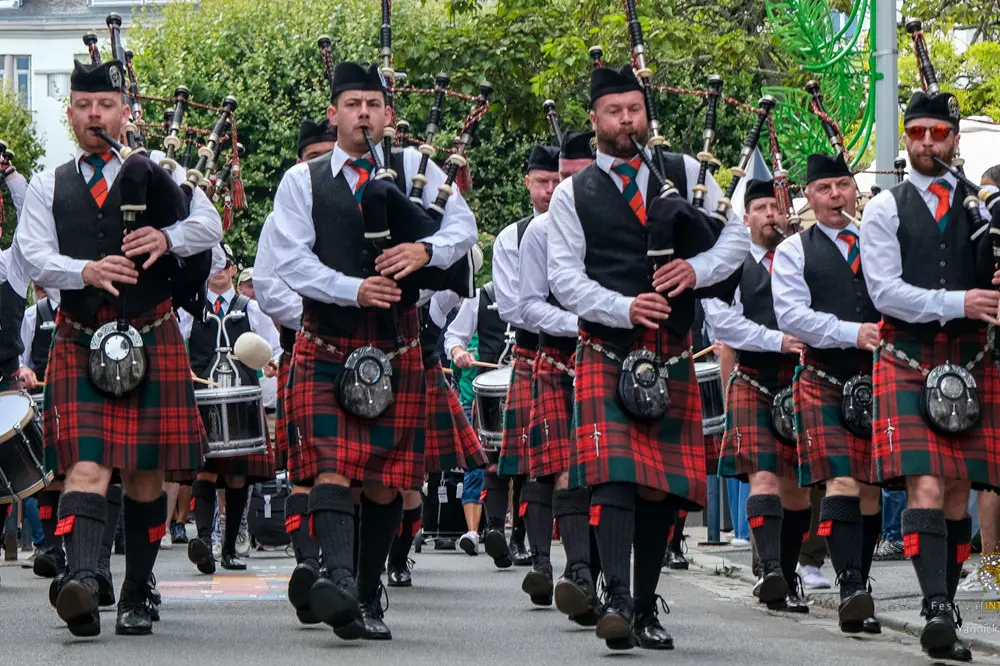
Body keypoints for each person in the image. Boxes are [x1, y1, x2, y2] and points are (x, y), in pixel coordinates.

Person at [271, 60, 476, 641]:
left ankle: (365, 592)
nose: (364, 114)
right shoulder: (302, 181)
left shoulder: (418, 169)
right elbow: (290, 260)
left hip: (397, 344)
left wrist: (424, 253)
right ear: (334, 112)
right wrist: (353, 288)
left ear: (388, 113)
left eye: (374, 104)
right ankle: (336, 581)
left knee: (387, 477)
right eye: (352, 104)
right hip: (328, 339)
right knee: (331, 463)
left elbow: (462, 229)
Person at [15, 58, 222, 636]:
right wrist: (85, 270)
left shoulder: (159, 167)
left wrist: (167, 235)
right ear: (71, 113)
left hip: (151, 332)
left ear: (124, 112)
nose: (94, 115)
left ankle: (136, 589)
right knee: (84, 465)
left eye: (105, 104)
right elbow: (34, 255)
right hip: (82, 337)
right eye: (84, 106)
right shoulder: (47, 182)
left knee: (143, 475)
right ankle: (83, 582)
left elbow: (210, 227)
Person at [546, 64, 748, 651]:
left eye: (634, 109)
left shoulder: (686, 173)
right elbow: (565, 277)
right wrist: (623, 307)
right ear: (595, 120)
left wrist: (695, 270)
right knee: (613, 474)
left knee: (659, 488)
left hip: (673, 351)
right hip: (608, 347)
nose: (626, 120)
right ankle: (616, 599)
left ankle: (645, 605)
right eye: (615, 111)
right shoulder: (571, 193)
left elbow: (732, 238)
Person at [861, 90, 998, 662]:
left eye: (936, 134)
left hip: (971, 356)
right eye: (915, 133)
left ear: (954, 141)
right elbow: (884, 292)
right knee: (927, 484)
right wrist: (960, 301)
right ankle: (937, 607)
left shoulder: (981, 207)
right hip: (910, 354)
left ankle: (948, 594)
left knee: (961, 489)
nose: (924, 143)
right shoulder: (884, 208)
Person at [771, 152, 882, 635]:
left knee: (874, 490)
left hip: (880, 377)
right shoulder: (796, 251)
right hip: (824, 376)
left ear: (854, 189)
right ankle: (850, 588)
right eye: (824, 188)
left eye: (843, 185)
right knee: (841, 480)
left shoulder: (878, 242)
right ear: (809, 198)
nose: (836, 195)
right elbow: (792, 317)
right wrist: (852, 332)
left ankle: (862, 583)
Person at [709, 178, 811, 613]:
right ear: (746, 216)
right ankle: (769, 569)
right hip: (752, 377)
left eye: (776, 206)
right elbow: (722, 323)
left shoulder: (800, 257)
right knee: (764, 476)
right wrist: (777, 340)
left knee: (799, 492)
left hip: (801, 380)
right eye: (763, 208)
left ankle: (786, 579)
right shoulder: (730, 265)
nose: (772, 214)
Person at [515, 129, 601, 620]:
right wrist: (583, 321)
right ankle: (573, 571)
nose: (564, 188)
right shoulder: (539, 233)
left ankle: (593, 573)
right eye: (560, 178)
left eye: (576, 176)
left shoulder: (617, 223)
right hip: (559, 360)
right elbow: (526, 305)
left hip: (609, 358)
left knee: (606, 473)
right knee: (557, 467)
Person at [254, 116, 336, 625]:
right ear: (299, 161)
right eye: (312, 158)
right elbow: (267, 285)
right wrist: (321, 315)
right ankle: (310, 564)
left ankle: (342, 566)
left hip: (369, 350)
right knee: (308, 467)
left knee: (356, 470)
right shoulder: (281, 217)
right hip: (307, 349)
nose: (322, 166)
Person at [178, 242, 281, 573]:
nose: (219, 271)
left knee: (237, 477)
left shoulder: (249, 308)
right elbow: (177, 345)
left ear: (234, 270)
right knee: (205, 471)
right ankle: (204, 543)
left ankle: (229, 548)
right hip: (203, 401)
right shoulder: (189, 308)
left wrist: (272, 362)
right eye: (214, 265)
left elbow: (273, 346)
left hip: (242, 402)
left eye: (225, 265)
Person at [491, 144, 561, 569]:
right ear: (527, 183)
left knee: (552, 455)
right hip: (532, 350)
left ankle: (535, 542)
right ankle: (514, 535)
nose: (550, 190)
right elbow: (513, 308)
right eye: (542, 182)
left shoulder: (579, 227)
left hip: (569, 348)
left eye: (557, 181)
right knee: (520, 453)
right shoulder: (511, 237)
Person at [444, 281, 508, 557]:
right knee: (480, 465)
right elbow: (454, 337)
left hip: (527, 387)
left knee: (523, 467)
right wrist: (458, 352)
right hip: (484, 398)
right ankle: (475, 530)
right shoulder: (482, 296)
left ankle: (516, 537)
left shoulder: (545, 290)